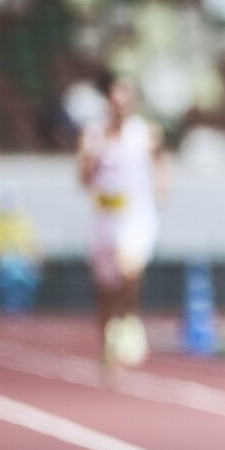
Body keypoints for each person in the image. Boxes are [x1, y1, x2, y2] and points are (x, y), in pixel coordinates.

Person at [77, 71, 170, 371]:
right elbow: (83, 179)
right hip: (105, 217)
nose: (119, 103)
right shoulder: (93, 135)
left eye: (125, 97)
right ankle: (107, 340)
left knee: (127, 268)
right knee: (105, 287)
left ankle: (130, 320)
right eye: (114, 97)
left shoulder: (145, 133)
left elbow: (160, 162)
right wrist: (91, 159)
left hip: (136, 214)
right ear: (106, 100)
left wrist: (161, 185)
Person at [0, 183, 44, 314]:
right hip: (3, 261)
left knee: (25, 282)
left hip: (22, 260)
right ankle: (10, 310)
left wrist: (33, 257)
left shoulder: (23, 217)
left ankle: (21, 310)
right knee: (9, 281)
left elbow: (31, 241)